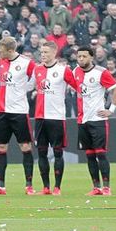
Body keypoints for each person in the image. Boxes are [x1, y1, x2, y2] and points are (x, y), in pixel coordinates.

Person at [0, 37, 38, 195]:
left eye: (1, 50)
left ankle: (29, 186)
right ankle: (0, 186)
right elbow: (1, 78)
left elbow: (34, 79)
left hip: (19, 112)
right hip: (1, 111)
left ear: (11, 50)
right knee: (0, 147)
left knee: (25, 147)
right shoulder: (2, 61)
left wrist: (23, 89)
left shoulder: (27, 63)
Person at [73, 47, 116, 196]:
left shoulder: (100, 72)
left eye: (84, 56)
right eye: (79, 56)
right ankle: (96, 187)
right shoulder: (75, 72)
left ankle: (106, 187)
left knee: (101, 153)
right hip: (83, 120)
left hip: (98, 119)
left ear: (91, 57)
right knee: (89, 154)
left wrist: (111, 109)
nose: (81, 59)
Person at [32, 40, 77, 195]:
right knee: (41, 153)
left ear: (54, 52)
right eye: (41, 52)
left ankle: (57, 187)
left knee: (58, 152)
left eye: (46, 52)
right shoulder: (37, 70)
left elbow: (78, 87)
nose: (43, 55)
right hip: (40, 117)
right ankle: (46, 187)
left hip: (56, 117)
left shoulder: (63, 70)